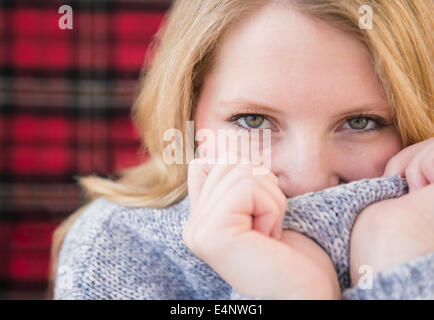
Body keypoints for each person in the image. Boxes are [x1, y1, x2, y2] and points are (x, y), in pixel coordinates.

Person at [50, 0, 433, 299]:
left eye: (361, 123)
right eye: (254, 121)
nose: (308, 177)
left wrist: (398, 251)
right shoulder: (120, 249)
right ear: (188, 109)